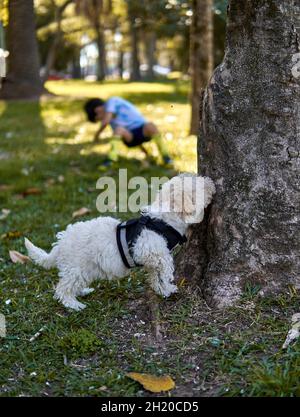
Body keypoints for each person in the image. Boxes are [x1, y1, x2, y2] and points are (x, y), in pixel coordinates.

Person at [84, 97, 172, 165]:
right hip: (130, 137)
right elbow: (118, 133)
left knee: (150, 125)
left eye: (99, 119)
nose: (101, 120)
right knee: (119, 129)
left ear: (97, 110)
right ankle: (111, 159)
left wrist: (97, 135)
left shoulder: (112, 101)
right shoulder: (112, 121)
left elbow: (105, 122)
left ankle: (166, 157)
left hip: (143, 131)